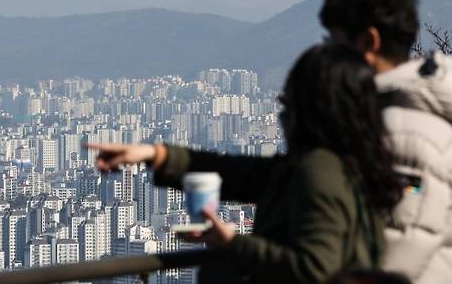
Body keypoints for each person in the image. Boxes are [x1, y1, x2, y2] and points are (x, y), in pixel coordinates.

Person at [88, 44, 401, 284]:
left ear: (312, 109)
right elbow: (237, 172)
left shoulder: (319, 169)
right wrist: (155, 155)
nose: (283, 112)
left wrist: (234, 243)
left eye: (289, 102)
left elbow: (315, 269)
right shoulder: (347, 161)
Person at [320, 0, 452, 283]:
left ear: (369, 42)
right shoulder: (399, 113)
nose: (328, 53)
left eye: (335, 41)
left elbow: (402, 242)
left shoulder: (405, 132)